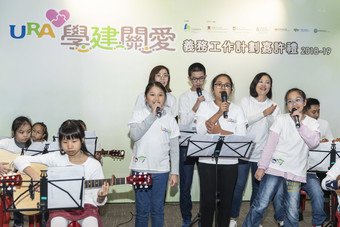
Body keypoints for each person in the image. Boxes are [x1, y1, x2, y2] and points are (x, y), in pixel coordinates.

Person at [243, 88, 320, 227]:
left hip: (295, 172)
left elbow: (313, 143)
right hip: (275, 168)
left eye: (297, 100)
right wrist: (261, 166)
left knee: (292, 210)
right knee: (261, 203)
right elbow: (270, 145)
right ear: (286, 105)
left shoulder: (312, 123)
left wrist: (300, 125)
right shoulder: (281, 119)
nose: (293, 104)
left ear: (304, 103)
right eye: (289, 101)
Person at [13, 119, 109, 227]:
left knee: (91, 223)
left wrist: (101, 196)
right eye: (64, 142)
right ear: (60, 143)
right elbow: (18, 160)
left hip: (87, 206)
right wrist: (35, 177)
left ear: (82, 140)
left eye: (74, 141)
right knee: (57, 223)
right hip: (60, 207)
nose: (69, 146)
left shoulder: (94, 164)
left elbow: (98, 201)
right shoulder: (56, 158)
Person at [230, 72, 282, 227]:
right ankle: (233, 218)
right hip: (244, 152)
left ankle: (254, 219)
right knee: (238, 187)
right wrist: (263, 113)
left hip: (262, 154)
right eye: (261, 81)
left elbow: (275, 129)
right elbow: (243, 123)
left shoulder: (275, 106)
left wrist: (270, 115)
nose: (264, 85)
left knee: (258, 189)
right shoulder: (245, 101)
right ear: (255, 84)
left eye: (267, 82)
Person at [195, 73, 247, 227]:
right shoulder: (204, 106)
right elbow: (199, 131)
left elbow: (241, 137)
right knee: (208, 201)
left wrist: (221, 131)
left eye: (226, 85)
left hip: (230, 162)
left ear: (231, 90)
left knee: (226, 202)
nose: (222, 87)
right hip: (207, 160)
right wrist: (219, 112)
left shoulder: (237, 110)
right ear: (212, 89)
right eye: (218, 84)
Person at [129, 81, 180, 227]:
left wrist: (174, 172)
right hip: (140, 170)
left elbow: (175, 148)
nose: (156, 98)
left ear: (165, 98)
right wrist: (152, 115)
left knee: (158, 210)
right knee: (142, 211)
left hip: (161, 171)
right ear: (145, 97)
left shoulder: (170, 119)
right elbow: (134, 135)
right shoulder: (138, 114)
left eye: (160, 95)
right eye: (152, 94)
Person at [178, 62, 213, 227]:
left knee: (207, 184)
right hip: (186, 144)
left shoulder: (211, 96)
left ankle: (204, 217)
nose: (198, 82)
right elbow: (183, 124)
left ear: (205, 78)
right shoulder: (184, 97)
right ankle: (186, 217)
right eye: (194, 79)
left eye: (201, 79)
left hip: (205, 142)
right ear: (189, 79)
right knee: (185, 185)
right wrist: (197, 104)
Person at [299, 98, 332, 226]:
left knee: (318, 192)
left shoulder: (323, 123)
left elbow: (330, 145)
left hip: (312, 171)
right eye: (313, 112)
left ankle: (318, 222)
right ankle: (293, 214)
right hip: (295, 170)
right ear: (305, 111)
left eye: (318, 111)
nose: (317, 115)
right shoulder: (297, 123)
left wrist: (325, 143)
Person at [0, 116, 32, 227]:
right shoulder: (6, 143)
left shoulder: (33, 147)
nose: (25, 135)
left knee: (23, 188)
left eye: (28, 132)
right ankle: (18, 223)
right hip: (6, 180)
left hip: (24, 180)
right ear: (14, 132)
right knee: (16, 190)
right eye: (21, 132)